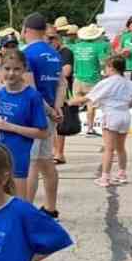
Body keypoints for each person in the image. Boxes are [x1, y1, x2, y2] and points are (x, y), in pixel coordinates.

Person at [20, 13, 64, 261]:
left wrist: (48, 110)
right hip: (53, 112)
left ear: (26, 30)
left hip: (36, 114)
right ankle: (51, 206)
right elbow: (61, 84)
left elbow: (31, 88)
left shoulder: (27, 54)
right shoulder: (53, 53)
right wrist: (58, 107)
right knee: (46, 162)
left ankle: (27, 211)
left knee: (33, 165)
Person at [0, 47, 47, 197]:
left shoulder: (32, 97)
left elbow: (43, 133)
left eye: (17, 69)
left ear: (24, 69)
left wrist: (11, 127)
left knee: (17, 206)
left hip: (17, 161)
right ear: (0, 69)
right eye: (7, 68)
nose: (11, 73)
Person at [67, 56, 132, 187]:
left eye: (106, 66)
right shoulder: (130, 83)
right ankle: (122, 174)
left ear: (111, 67)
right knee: (121, 147)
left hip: (111, 114)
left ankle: (105, 177)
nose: (104, 69)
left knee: (109, 149)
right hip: (125, 114)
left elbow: (88, 97)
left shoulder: (107, 82)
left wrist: (70, 102)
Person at [71, 24, 113, 136]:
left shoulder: (77, 46)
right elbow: (103, 62)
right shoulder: (99, 47)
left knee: (75, 104)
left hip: (77, 78)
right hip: (92, 79)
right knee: (91, 105)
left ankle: (72, 126)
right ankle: (90, 128)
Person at [46, 27, 74, 164]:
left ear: (58, 38)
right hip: (50, 90)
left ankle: (59, 153)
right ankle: (53, 151)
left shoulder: (65, 52)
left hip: (61, 91)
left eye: (52, 38)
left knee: (60, 124)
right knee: (51, 123)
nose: (50, 41)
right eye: (48, 38)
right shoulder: (49, 53)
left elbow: (67, 71)